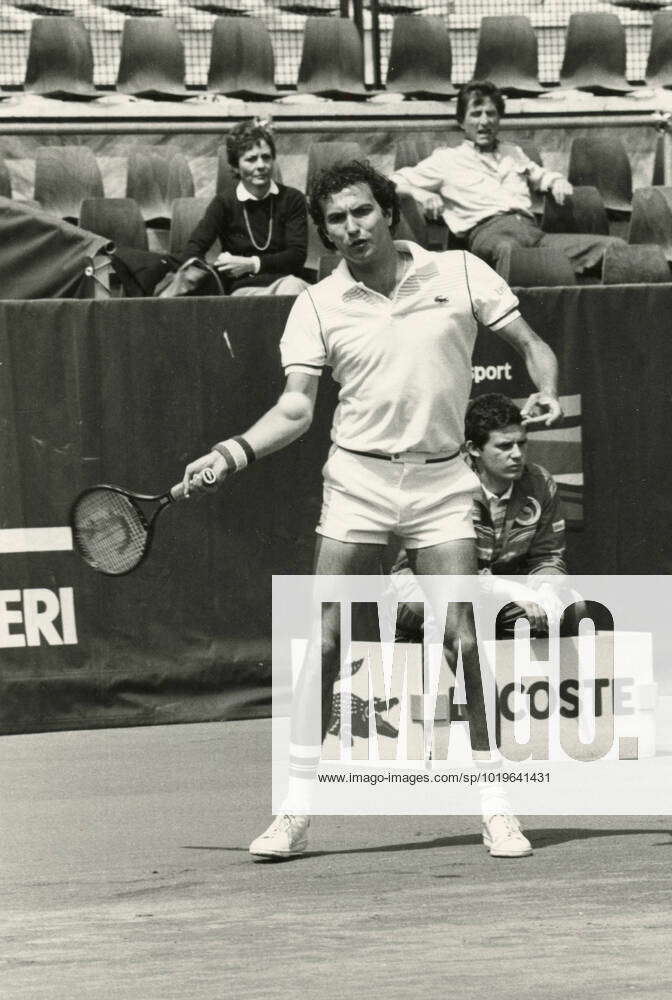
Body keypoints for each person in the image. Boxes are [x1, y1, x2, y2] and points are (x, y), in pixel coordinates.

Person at [181, 160, 562, 862]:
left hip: (444, 482)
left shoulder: (461, 273)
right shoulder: (318, 305)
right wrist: (230, 452)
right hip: (357, 480)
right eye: (335, 220)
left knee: (463, 639)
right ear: (324, 233)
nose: (351, 228)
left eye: (361, 213)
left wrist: (546, 390)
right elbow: (296, 408)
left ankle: (495, 806)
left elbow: (533, 347)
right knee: (325, 641)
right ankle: (295, 811)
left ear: (387, 212)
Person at [391, 79, 625, 277]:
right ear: (462, 122)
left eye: (491, 114)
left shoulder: (513, 153)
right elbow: (389, 182)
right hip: (488, 236)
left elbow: (540, 175)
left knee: (614, 249)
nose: (484, 121)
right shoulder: (446, 160)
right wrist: (421, 193)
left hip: (534, 235)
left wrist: (556, 181)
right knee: (513, 256)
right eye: (476, 114)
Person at [394, 393, 569, 643]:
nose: (517, 454)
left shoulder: (540, 483)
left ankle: (517, 678)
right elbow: (442, 574)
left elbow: (548, 555)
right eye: (505, 446)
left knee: (569, 607)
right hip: (426, 584)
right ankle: (421, 659)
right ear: (473, 449)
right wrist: (508, 589)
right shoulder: (445, 484)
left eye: (522, 443)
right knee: (450, 607)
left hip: (500, 591)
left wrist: (547, 589)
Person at [179, 118, 309, 296]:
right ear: (235, 166)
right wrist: (215, 274)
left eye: (266, 157)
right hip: (244, 292)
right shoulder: (224, 202)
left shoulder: (292, 198)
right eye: (251, 159)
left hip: (287, 284)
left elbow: (297, 255)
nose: (261, 165)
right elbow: (193, 249)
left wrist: (250, 264)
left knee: (296, 288)